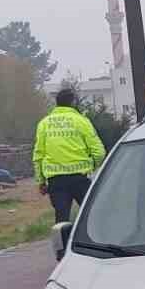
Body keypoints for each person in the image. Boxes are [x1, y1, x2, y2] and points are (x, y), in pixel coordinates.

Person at [33, 86, 106, 222]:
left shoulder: (44, 124)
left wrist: (41, 181)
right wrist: (92, 166)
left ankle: (63, 243)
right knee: (92, 217)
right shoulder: (81, 121)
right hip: (80, 179)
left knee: (61, 220)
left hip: (56, 181)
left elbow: (38, 156)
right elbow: (99, 152)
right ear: (73, 103)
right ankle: (94, 241)